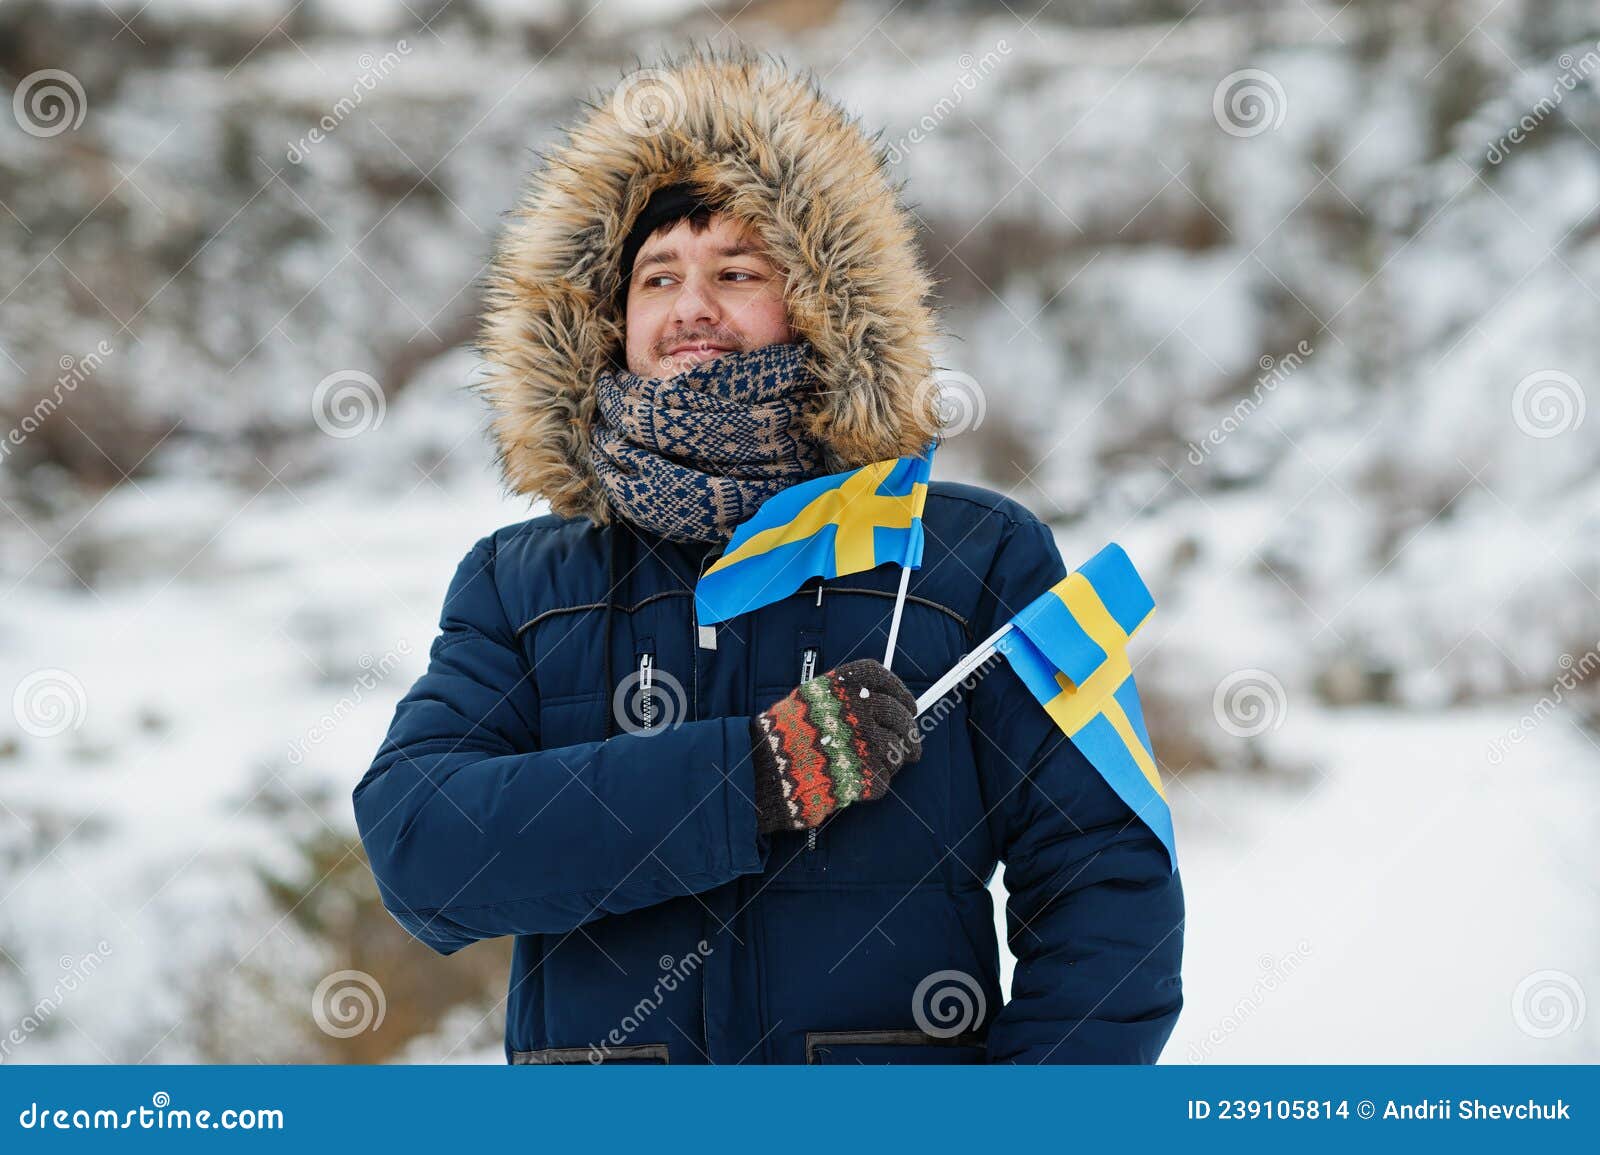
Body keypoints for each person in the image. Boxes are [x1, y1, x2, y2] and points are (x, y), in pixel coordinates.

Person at [353, 44, 1183, 1065]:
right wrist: (747, 779)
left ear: (824, 305)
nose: (690, 306)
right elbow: (419, 843)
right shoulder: (522, 586)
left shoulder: (973, 558)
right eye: (657, 276)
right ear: (607, 324)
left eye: (737, 272)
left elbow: (1110, 887)